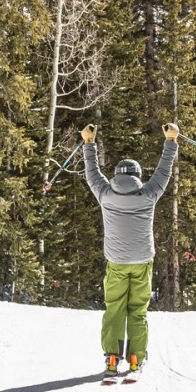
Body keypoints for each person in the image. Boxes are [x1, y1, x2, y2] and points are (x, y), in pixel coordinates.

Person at [81, 122, 180, 377]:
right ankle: (135, 359)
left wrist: (89, 144)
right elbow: (163, 172)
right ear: (137, 176)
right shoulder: (148, 194)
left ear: (116, 174)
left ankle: (112, 360)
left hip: (116, 262)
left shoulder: (105, 193)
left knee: (115, 308)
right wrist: (170, 141)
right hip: (142, 261)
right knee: (137, 310)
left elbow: (91, 172)